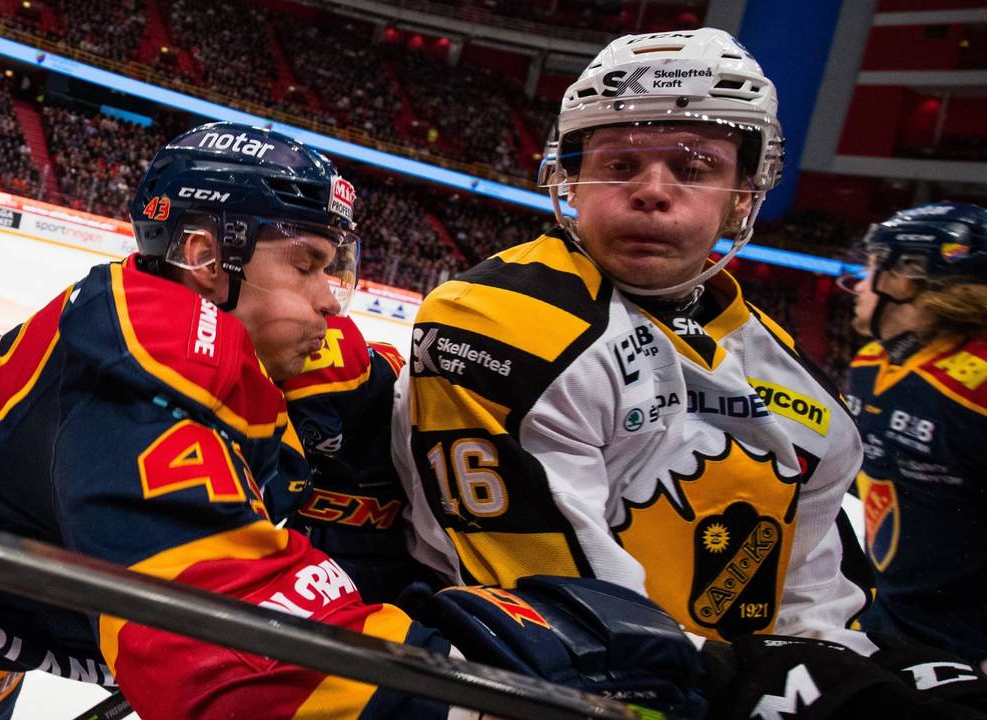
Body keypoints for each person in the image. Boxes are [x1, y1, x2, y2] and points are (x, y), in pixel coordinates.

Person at [0, 122, 703, 720]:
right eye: (308, 265)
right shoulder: (145, 350)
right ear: (202, 255)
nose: (333, 301)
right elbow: (225, 667)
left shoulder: (294, 346)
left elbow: (386, 456)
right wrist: (501, 676)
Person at [390, 28, 987, 717]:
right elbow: (568, 622)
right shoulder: (498, 321)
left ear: (743, 194)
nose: (652, 191)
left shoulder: (788, 369)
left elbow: (813, 601)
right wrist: (776, 684)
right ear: (569, 179)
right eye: (619, 165)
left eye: (694, 167)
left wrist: (862, 667)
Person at [844, 203, 987, 671]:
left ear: (908, 277)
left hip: (967, 652)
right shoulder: (870, 363)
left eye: (872, 268)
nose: (859, 285)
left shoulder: (978, 388)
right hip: (886, 623)